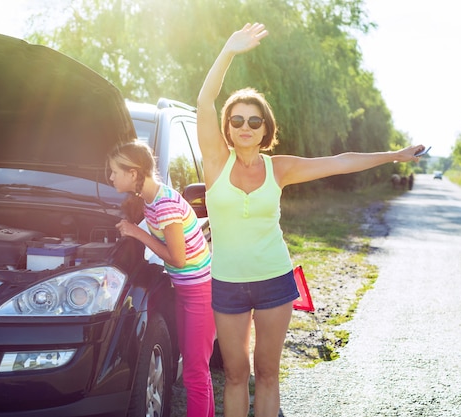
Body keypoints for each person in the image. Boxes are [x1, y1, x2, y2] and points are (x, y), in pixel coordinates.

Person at [196, 22, 425, 417]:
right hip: (228, 285)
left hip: (274, 281)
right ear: (227, 129)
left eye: (254, 121)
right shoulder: (216, 162)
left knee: (267, 375)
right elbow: (204, 101)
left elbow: (340, 162)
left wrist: (393, 156)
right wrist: (229, 51)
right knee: (235, 376)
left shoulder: (279, 168)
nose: (245, 127)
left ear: (266, 128)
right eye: (237, 120)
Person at [108, 141, 215, 417]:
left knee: (194, 372)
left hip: (201, 293)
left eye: (114, 172)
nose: (110, 178)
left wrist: (136, 232)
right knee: (197, 370)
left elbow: (178, 259)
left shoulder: (164, 203)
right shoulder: (150, 201)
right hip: (185, 291)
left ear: (133, 173)